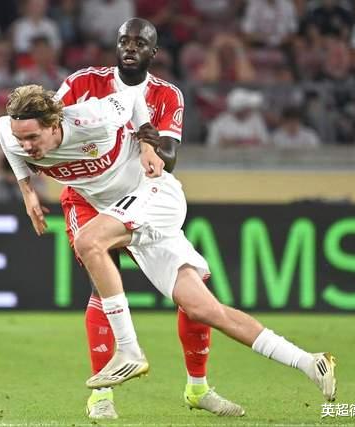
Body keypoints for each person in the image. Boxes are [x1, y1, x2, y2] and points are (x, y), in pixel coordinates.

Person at [0, 85, 338, 418]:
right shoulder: (11, 133)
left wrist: (147, 145)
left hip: (154, 195)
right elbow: (8, 141)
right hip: (125, 213)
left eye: (33, 138)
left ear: (54, 125)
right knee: (205, 309)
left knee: (89, 242)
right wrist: (27, 191)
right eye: (20, 139)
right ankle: (310, 362)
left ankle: (129, 350)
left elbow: (133, 97)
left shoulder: (92, 118)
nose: (25, 146)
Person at [54, 18, 229, 419]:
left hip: (140, 199)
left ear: (154, 52)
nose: (130, 47)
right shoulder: (82, 83)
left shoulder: (166, 94)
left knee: (195, 288)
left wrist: (146, 136)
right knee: (103, 286)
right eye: (124, 41)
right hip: (89, 197)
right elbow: (47, 124)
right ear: (116, 45)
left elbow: (170, 158)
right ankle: (101, 396)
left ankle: (198, 388)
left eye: (140, 42)